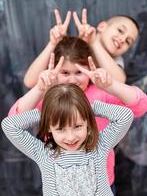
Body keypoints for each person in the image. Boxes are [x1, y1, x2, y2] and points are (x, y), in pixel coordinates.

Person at [8, 36, 147, 194]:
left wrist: (107, 89)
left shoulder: (101, 94)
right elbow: (13, 121)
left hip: (103, 181)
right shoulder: (50, 99)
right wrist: (47, 109)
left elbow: (142, 106)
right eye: (65, 72)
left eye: (79, 72)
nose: (72, 79)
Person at [2, 83, 134, 196]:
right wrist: (46, 114)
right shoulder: (42, 153)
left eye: (77, 126)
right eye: (60, 129)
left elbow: (125, 116)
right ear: (49, 127)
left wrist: (88, 109)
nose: (70, 137)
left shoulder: (100, 145)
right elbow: (9, 125)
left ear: (87, 122)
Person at [23, 9, 139, 88]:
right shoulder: (75, 46)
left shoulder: (116, 61)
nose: (123, 39)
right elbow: (29, 82)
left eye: (128, 41)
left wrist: (94, 43)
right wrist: (53, 44)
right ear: (102, 26)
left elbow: (119, 82)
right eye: (120, 30)